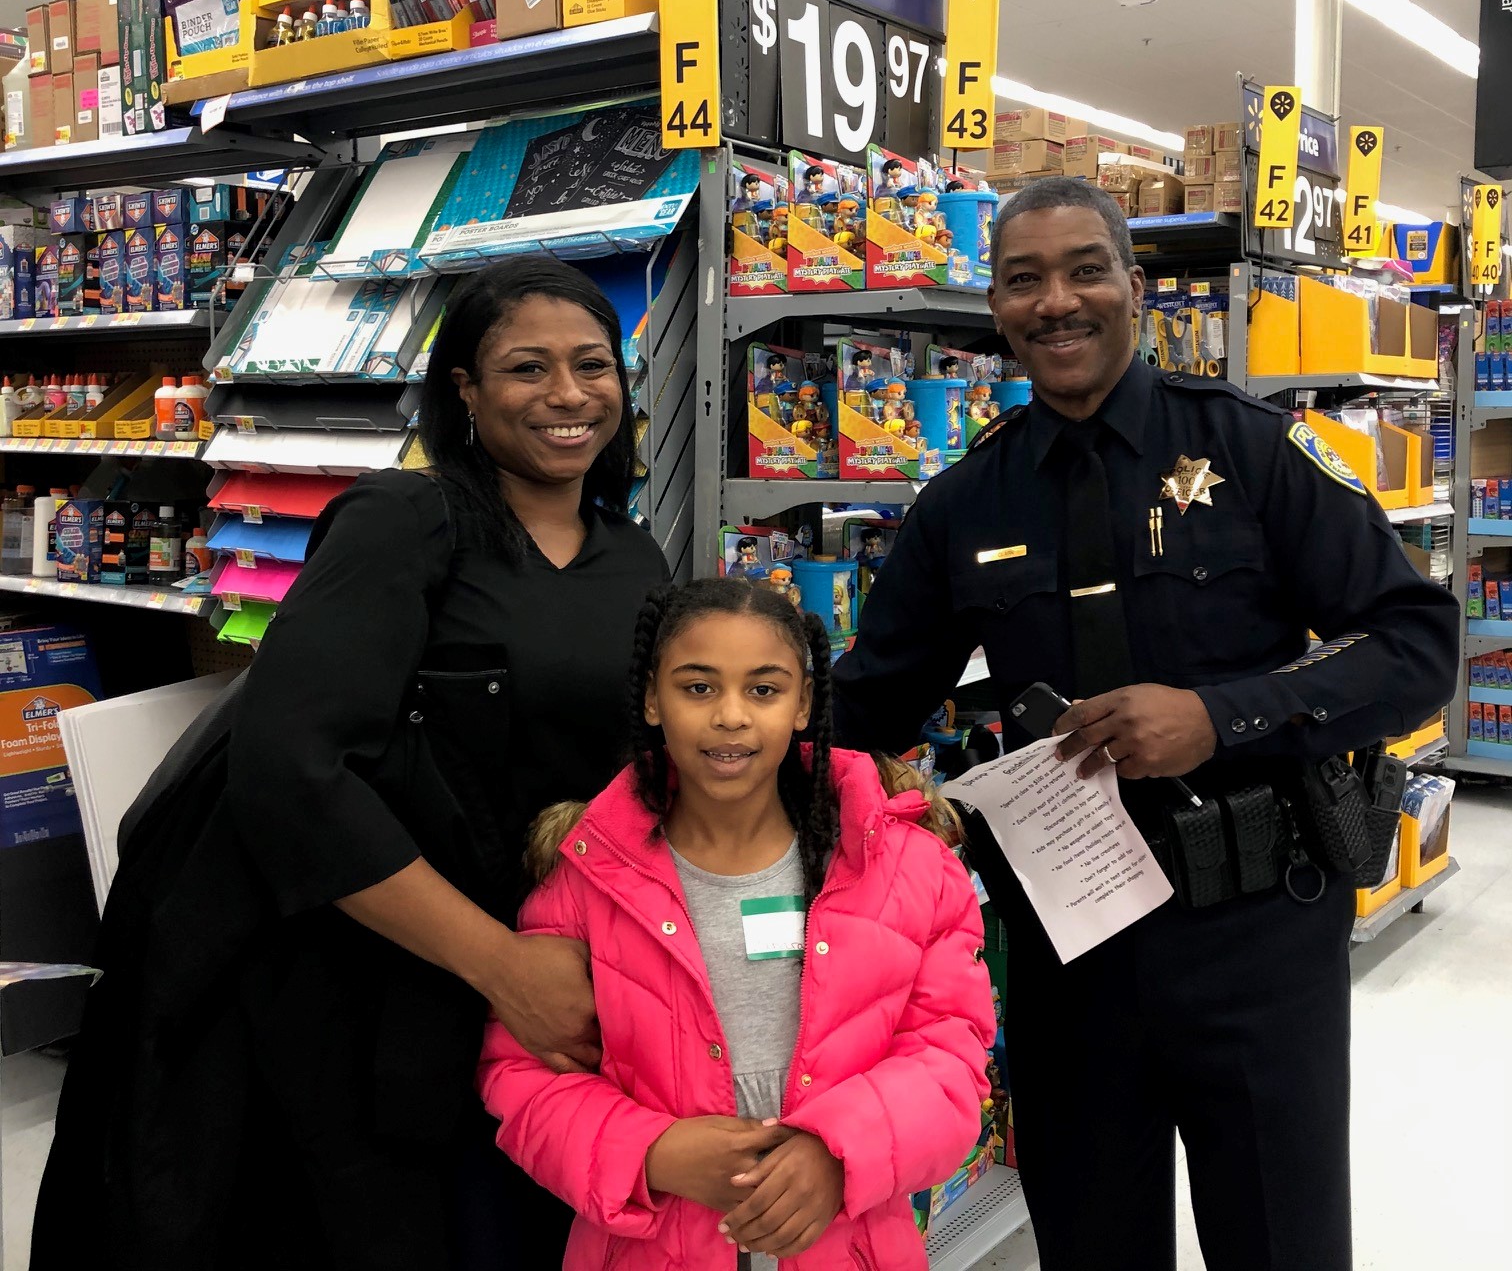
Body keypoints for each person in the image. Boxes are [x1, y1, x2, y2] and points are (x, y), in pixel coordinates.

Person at [831, 176, 1459, 1271]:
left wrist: (1225, 715)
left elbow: (1417, 645)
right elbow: (866, 706)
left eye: (1085, 271)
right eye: (1024, 281)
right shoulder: (961, 506)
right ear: (996, 306)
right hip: (1072, 953)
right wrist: (708, 743)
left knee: (1282, 1241)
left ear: (1135, 285)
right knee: (1090, 1243)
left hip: (1259, 929)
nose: (1056, 303)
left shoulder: (1255, 453)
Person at [33, 258, 670, 1271]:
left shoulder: (633, 554)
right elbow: (291, 771)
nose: (567, 396)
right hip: (370, 986)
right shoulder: (404, 523)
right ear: (463, 388)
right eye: (526, 368)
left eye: (592, 365)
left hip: (541, 989)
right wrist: (498, 966)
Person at [478, 579, 995, 1271]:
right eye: (698, 688)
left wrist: (840, 1153)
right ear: (652, 700)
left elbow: (951, 1059)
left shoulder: (905, 865)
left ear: (804, 702)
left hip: (850, 1241)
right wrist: (650, 1152)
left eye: (763, 689)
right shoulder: (586, 874)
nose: (730, 717)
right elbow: (521, 1074)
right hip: (649, 1245)